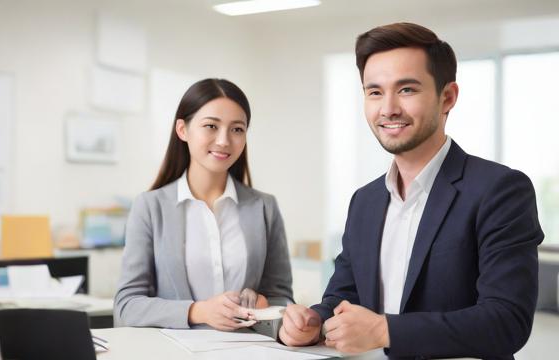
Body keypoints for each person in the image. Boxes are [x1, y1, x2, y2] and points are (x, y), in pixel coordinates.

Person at [279, 23, 544, 359]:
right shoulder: (365, 201)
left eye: (406, 90)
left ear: (447, 97)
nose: (388, 108)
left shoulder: (500, 190)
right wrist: (315, 320)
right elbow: (343, 297)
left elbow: (507, 322)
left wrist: (383, 330)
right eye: (374, 92)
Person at [114, 78, 293, 331]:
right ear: (182, 130)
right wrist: (199, 311)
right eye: (211, 126)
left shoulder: (264, 207)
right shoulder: (150, 207)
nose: (224, 140)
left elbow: (282, 298)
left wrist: (265, 306)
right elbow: (126, 306)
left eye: (237, 129)